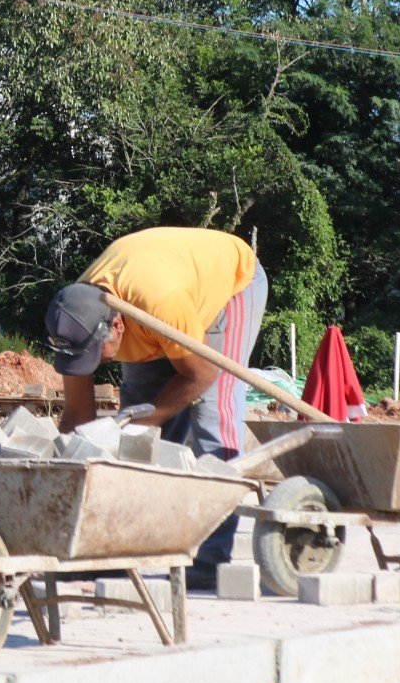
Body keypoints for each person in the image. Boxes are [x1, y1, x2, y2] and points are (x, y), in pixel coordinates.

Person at [45, 226, 267, 574]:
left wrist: (141, 423)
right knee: (136, 440)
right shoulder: (77, 315)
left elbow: (201, 375)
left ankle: (211, 556)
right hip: (157, 304)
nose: (93, 365)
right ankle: (122, 549)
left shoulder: (161, 303)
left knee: (211, 417)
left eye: (95, 354)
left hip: (230, 289)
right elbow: (78, 414)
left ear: (117, 327)